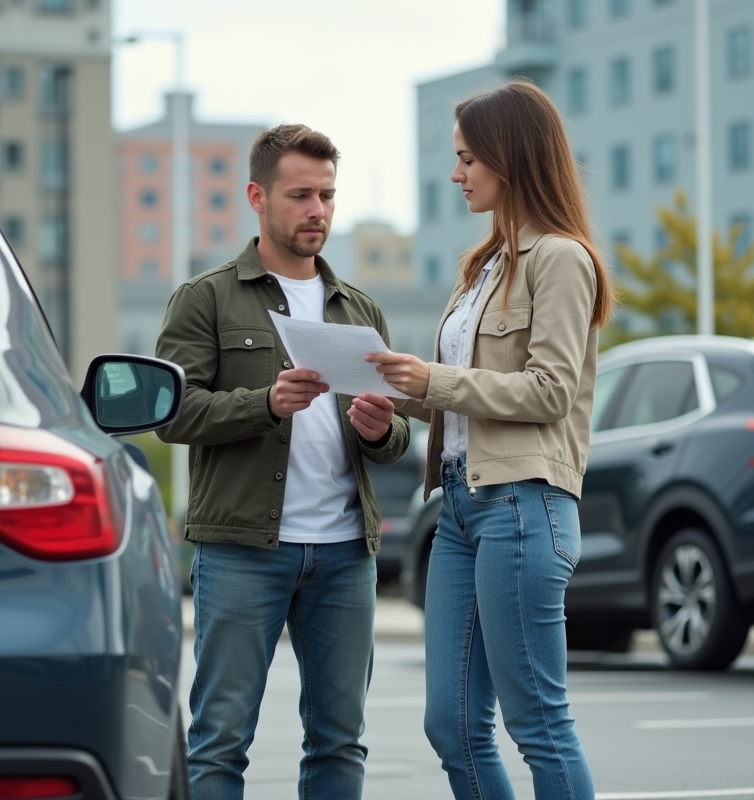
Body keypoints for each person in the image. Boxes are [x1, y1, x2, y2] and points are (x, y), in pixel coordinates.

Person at [367, 79, 614, 800]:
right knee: (452, 726)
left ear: (511, 157)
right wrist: (393, 397)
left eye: (468, 158)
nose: (456, 174)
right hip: (459, 510)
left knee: (537, 722)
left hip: (522, 506)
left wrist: (434, 380)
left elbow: (548, 392)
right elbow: (463, 401)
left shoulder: (561, 259)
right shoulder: (482, 268)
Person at [154, 123, 410, 800]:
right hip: (242, 550)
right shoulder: (206, 299)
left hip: (345, 553)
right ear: (256, 197)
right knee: (219, 742)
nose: (318, 210)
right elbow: (173, 414)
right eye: (300, 195)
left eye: (327, 194)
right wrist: (264, 403)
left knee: (339, 741)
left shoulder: (358, 308)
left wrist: (381, 430)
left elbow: (398, 437)